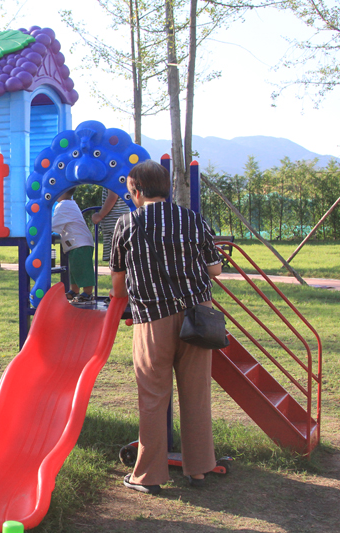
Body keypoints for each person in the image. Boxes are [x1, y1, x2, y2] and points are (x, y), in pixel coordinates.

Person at [110, 160, 223, 495]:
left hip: (152, 317)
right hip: (197, 317)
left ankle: (148, 476)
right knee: (196, 394)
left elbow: (118, 284)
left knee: (153, 397)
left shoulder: (127, 223)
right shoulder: (193, 219)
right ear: (166, 188)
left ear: (136, 191)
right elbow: (215, 269)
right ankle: (199, 469)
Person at [52, 188, 95, 303]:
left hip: (79, 242)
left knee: (83, 268)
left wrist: (42, 229)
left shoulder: (62, 206)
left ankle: (88, 293)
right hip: (79, 242)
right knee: (75, 268)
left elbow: (54, 225)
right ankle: (74, 291)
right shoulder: (71, 203)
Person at [92, 187, 130, 262]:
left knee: (115, 258)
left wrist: (100, 215)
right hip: (121, 221)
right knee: (120, 257)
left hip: (113, 223)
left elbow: (112, 196)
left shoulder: (112, 181)